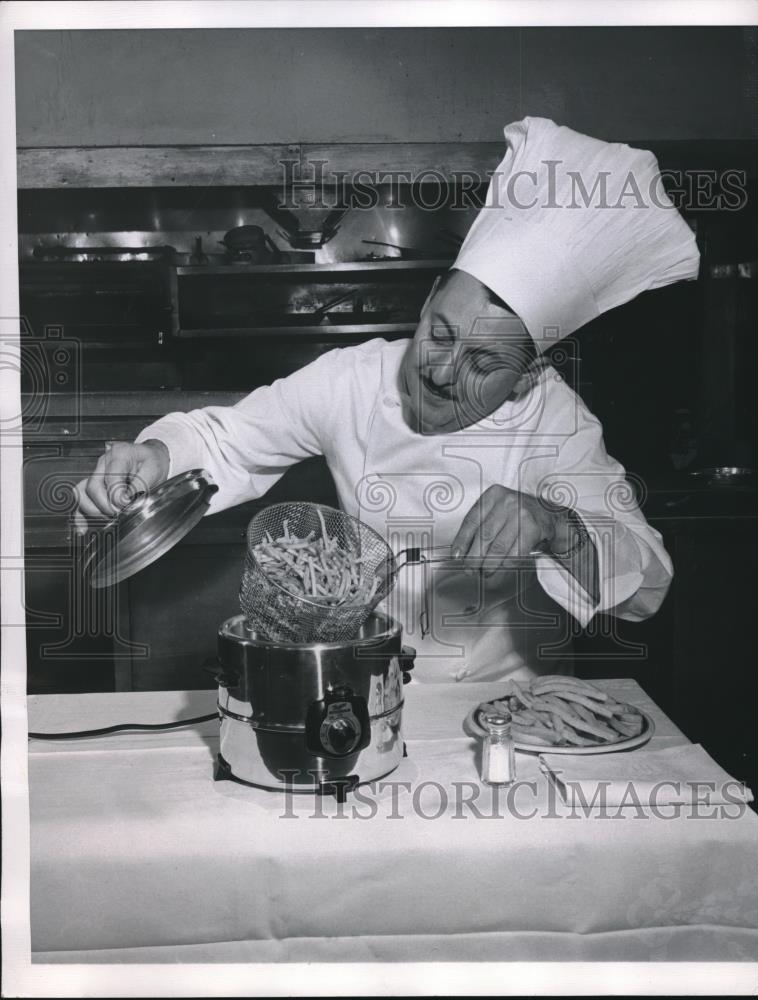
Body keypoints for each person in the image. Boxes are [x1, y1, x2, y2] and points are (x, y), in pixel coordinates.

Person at [73, 117, 700, 683]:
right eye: (441, 333)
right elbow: (226, 439)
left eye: (484, 364)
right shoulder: (351, 380)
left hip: (514, 714)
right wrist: (157, 453)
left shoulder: (555, 421)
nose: (440, 372)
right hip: (369, 688)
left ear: (527, 376)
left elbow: (647, 590)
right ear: (428, 300)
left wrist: (561, 529)